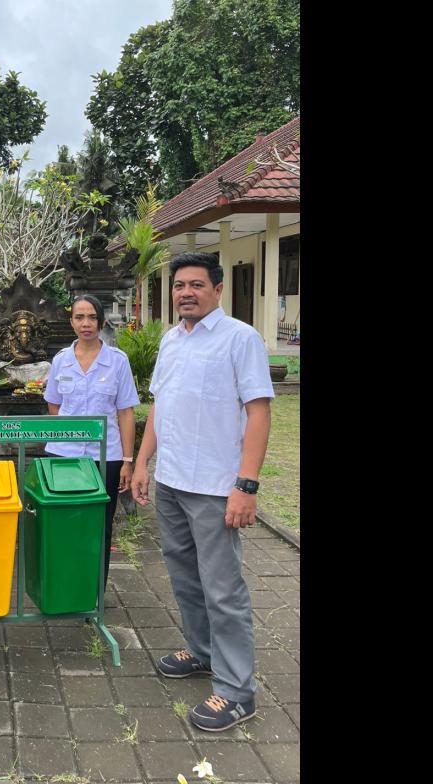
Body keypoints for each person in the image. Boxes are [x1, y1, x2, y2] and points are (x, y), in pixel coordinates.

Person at [131, 253, 274, 732]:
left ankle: (237, 691)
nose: (185, 293)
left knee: (223, 589)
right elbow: (159, 408)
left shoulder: (240, 339)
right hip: (171, 481)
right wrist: (143, 462)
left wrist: (245, 485)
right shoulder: (172, 340)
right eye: (178, 285)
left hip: (215, 487)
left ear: (217, 289)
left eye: (195, 284)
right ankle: (202, 651)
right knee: (185, 578)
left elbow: (258, 412)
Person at [43, 294, 140, 583]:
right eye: (79, 317)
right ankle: (65, 583)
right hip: (64, 456)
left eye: (92, 317)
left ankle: (93, 589)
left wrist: (127, 460)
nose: (86, 323)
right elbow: (54, 405)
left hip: (105, 457)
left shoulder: (117, 361)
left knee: (100, 523)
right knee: (65, 520)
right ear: (71, 321)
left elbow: (125, 413)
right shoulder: (61, 361)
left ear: (102, 321)